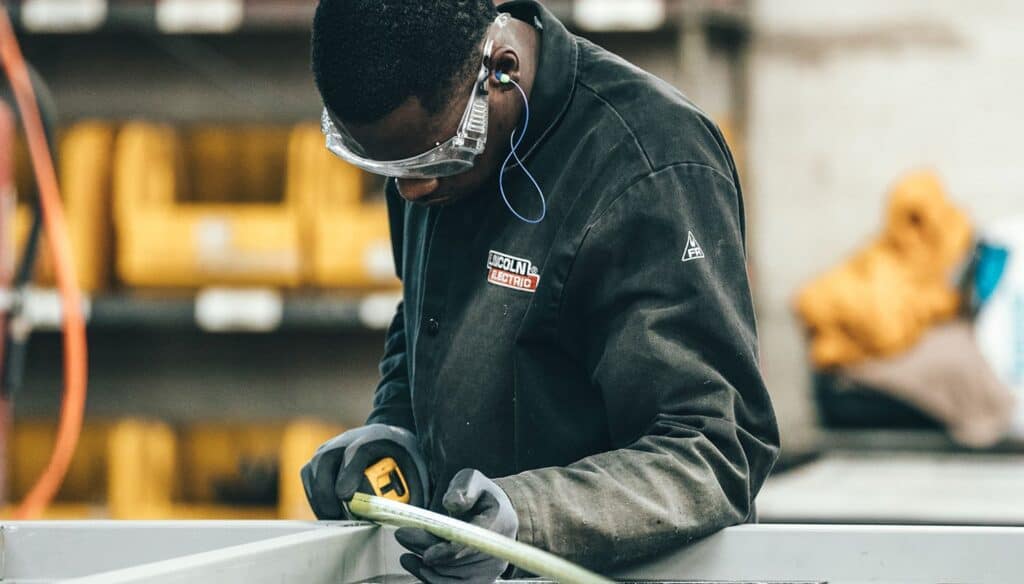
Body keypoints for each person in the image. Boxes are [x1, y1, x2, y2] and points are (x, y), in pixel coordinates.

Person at [301, 1, 780, 581]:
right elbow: (426, 315)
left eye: (433, 158)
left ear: (501, 70)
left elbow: (713, 452)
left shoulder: (651, 165)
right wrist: (398, 431)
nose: (411, 189)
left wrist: (527, 518)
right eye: (390, 167)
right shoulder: (432, 147)